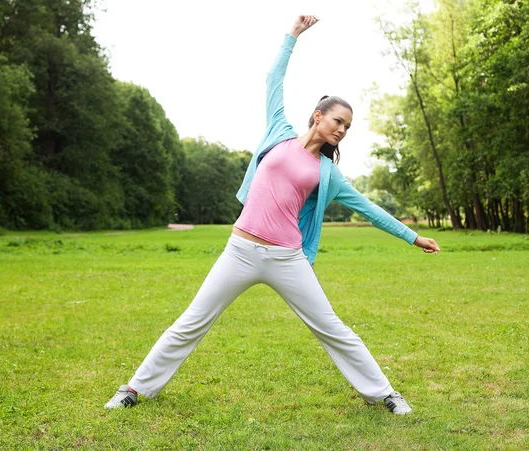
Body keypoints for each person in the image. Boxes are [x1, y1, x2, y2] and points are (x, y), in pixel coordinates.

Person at [105, 15, 440, 415]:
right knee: (192, 321)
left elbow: (369, 209)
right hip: (241, 250)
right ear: (318, 115)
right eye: (338, 121)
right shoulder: (278, 131)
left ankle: (385, 393)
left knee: (332, 328)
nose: (342, 130)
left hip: (287, 258)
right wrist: (292, 36)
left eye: (348, 127)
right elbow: (273, 80)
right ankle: (135, 389)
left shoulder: (328, 173)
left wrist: (412, 237)